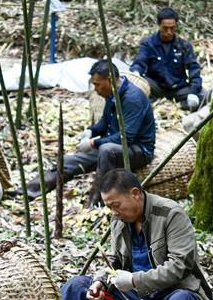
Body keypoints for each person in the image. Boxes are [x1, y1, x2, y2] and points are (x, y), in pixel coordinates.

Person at [60, 169, 213, 300]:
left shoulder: (170, 214)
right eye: (109, 207)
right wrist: (101, 282)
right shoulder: (119, 220)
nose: (114, 213)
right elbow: (114, 259)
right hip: (132, 297)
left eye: (117, 205)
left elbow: (179, 266)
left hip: (169, 294)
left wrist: (135, 281)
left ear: (135, 193)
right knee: (77, 284)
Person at [24, 60, 156, 207]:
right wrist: (90, 131)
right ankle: (27, 192)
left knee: (107, 150)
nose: (96, 89)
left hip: (138, 150)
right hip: (113, 146)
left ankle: (95, 203)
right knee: (69, 161)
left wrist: (94, 143)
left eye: (97, 84)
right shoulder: (112, 95)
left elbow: (126, 138)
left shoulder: (133, 98)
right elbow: (104, 123)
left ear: (110, 80)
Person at [129, 7, 208, 110]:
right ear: (159, 25)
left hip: (178, 88)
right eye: (165, 28)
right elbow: (140, 62)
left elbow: (194, 69)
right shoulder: (148, 43)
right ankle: (152, 104)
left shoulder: (183, 45)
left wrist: (193, 91)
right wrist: (136, 73)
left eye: (172, 28)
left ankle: (180, 106)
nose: (169, 32)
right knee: (133, 89)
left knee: (205, 95)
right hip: (155, 86)